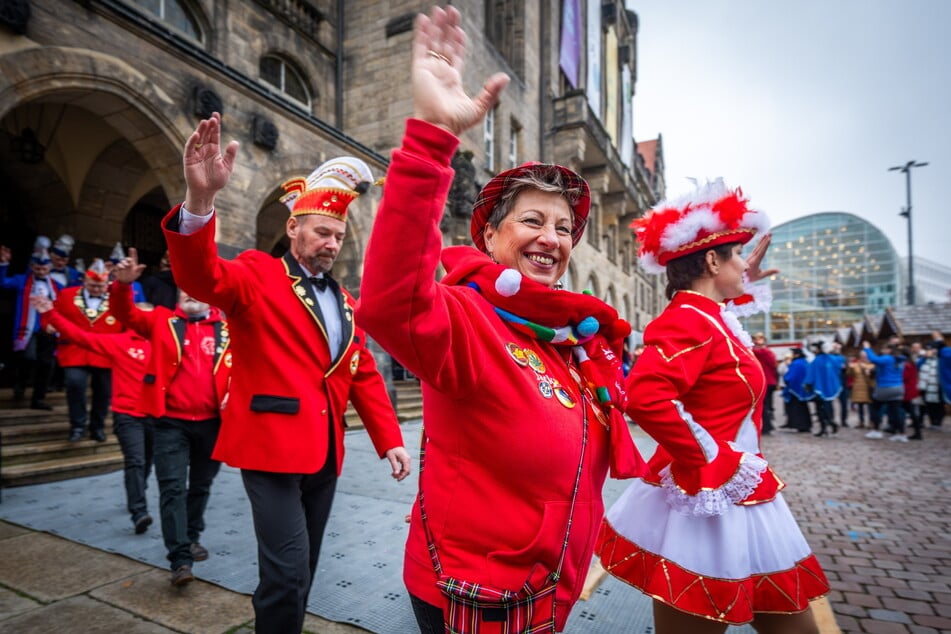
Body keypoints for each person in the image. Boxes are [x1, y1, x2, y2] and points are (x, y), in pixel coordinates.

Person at [356, 7, 645, 631]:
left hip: (547, 584)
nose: (552, 238)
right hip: (479, 592)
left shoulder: (568, 337)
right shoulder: (468, 317)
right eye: (533, 221)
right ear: (488, 237)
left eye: (565, 227)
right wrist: (433, 132)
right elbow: (389, 302)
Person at [161, 119, 411, 632]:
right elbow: (200, 276)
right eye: (322, 231)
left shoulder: (344, 300)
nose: (331, 243)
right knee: (287, 572)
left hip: (325, 450)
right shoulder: (256, 273)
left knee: (305, 569)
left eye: (339, 236)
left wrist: (390, 438)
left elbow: (360, 371)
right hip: (269, 446)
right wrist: (200, 201)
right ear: (293, 227)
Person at [597, 179, 828, 633]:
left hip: (739, 496)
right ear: (710, 260)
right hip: (712, 497)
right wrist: (710, 460)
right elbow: (645, 395)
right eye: (736, 255)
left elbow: (722, 338)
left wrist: (745, 286)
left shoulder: (709, 317)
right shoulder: (689, 319)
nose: (743, 263)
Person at [111, 254, 231, 585]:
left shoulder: (228, 328)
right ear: (177, 295)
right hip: (169, 423)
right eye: (185, 290)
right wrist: (123, 286)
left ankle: (192, 536)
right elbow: (125, 314)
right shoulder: (161, 321)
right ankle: (179, 558)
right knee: (172, 487)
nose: (191, 294)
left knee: (201, 485)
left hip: (213, 424)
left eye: (198, 290)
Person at [32, 294, 155, 534]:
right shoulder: (119, 342)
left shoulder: (166, 344)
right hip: (128, 414)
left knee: (147, 461)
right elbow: (81, 337)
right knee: (135, 461)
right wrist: (51, 314)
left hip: (158, 416)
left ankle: (138, 489)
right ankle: (139, 511)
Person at [53, 258, 122, 442]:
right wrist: (48, 326)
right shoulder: (67, 295)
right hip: (74, 351)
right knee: (75, 384)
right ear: (84, 280)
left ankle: (97, 427)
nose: (97, 290)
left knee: (104, 392)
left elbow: (128, 323)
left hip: (105, 353)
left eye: (101, 286)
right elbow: (53, 314)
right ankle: (77, 425)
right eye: (92, 286)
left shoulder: (117, 299)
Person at [0, 240, 61, 409]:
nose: (41, 271)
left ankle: (38, 399)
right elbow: (2, 283)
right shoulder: (22, 280)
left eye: (44, 269)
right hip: (28, 328)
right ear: (32, 267)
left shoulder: (57, 286)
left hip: (48, 328)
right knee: (29, 357)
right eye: (38, 268)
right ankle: (20, 383)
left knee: (46, 364)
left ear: (50, 268)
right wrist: (4, 264)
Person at [862, 340, 906, 441]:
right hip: (898, 387)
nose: (882, 351)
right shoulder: (900, 360)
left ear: (889, 350)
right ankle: (901, 433)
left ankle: (876, 430)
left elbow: (874, 359)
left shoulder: (887, 358)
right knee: (896, 411)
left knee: (875, 408)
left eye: (884, 349)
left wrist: (867, 348)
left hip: (885, 387)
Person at [804, 341, 843, 437]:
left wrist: (807, 384)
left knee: (821, 408)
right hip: (830, 387)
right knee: (828, 406)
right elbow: (841, 362)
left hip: (819, 388)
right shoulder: (832, 359)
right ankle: (830, 423)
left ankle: (826, 426)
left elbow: (811, 374)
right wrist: (837, 351)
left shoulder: (816, 361)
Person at [751, 332, 778, 434]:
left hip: (766, 382)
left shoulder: (763, 352)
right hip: (769, 382)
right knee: (767, 405)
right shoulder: (767, 352)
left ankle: (767, 426)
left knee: (764, 405)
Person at [782, 348, 813, 432]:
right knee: (803, 407)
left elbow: (790, 377)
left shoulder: (796, 363)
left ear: (797, 354)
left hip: (795, 389)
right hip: (803, 388)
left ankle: (801, 425)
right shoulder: (805, 362)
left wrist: (786, 379)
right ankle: (805, 424)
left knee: (797, 408)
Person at [918, 341, 944, 429]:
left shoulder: (941, 359)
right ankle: (933, 421)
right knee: (929, 404)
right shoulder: (924, 358)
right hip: (926, 385)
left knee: (939, 405)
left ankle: (938, 422)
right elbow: (918, 366)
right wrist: (924, 357)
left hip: (938, 385)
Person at [899, 345, 923, 440]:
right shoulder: (911, 363)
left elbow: (905, 377)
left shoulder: (906, 364)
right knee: (911, 411)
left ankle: (914, 432)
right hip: (910, 389)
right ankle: (917, 432)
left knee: (908, 411)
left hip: (907, 390)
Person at [847, 352, 875, 428]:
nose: (864, 358)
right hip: (858, 388)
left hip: (868, 388)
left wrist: (865, 368)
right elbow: (849, 374)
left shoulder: (872, 365)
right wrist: (850, 367)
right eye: (862, 356)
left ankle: (871, 422)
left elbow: (873, 376)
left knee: (870, 407)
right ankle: (861, 422)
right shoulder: (856, 365)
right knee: (860, 406)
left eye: (865, 356)